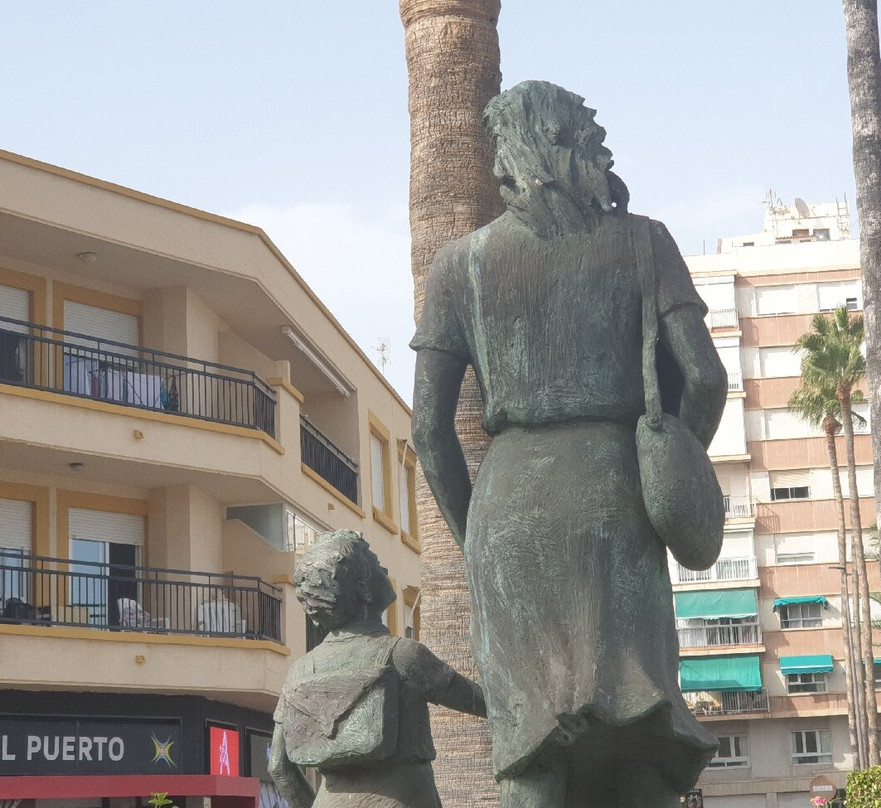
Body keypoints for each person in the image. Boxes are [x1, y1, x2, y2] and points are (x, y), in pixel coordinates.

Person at [412, 80, 726, 808]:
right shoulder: (644, 241)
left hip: (507, 508)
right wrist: (670, 460)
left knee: (531, 737)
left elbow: (429, 431)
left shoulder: (459, 263)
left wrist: (473, 538)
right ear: (574, 147)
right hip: (617, 490)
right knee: (639, 722)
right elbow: (705, 376)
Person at [269, 530, 486, 808]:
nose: (383, 568)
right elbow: (488, 703)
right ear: (365, 590)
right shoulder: (403, 655)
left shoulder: (299, 671)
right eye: (374, 563)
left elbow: (279, 767)